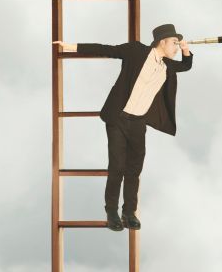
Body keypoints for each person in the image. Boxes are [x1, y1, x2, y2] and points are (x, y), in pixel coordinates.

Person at [52, 23, 193, 231]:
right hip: (118, 118)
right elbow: (106, 49)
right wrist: (71, 46)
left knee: (134, 170)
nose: (175, 47)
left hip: (138, 123)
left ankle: (129, 213)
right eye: (174, 42)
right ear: (162, 41)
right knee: (117, 167)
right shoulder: (136, 51)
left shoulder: (168, 65)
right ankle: (111, 213)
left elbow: (186, 65)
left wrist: (185, 50)